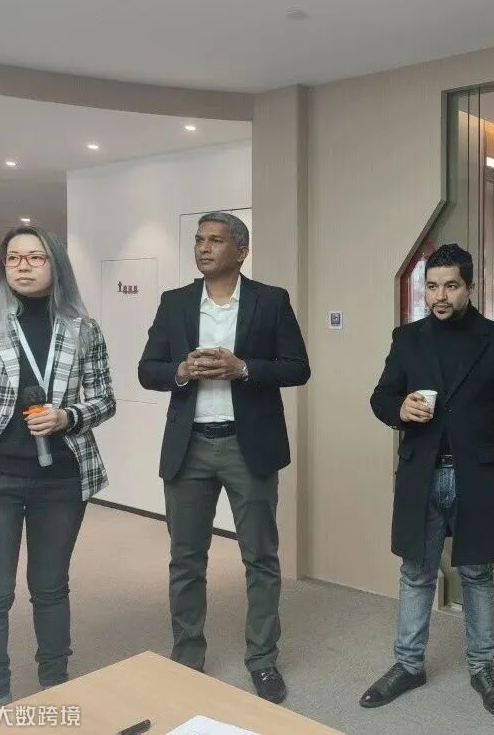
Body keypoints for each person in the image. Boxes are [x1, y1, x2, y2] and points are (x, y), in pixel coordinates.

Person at [137, 212, 309, 704]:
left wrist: (244, 368)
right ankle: (187, 657)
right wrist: (181, 370)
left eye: (215, 240)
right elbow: (148, 370)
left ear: (241, 250)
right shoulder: (174, 302)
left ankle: (263, 659)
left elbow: (298, 367)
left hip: (247, 446)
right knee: (186, 560)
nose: (204, 247)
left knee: (261, 558)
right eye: (199, 239)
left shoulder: (270, 301)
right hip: (188, 447)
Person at [0, 226, 116, 708]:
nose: (22, 265)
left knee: (51, 587)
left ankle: (55, 681)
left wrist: (68, 417)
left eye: (35, 257)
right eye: (13, 257)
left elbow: (104, 400)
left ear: (55, 265)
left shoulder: (83, 329)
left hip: (61, 479)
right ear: (3, 266)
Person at [361, 243, 494, 717]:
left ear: (470, 287)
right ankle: (407, 665)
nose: (439, 295)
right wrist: (399, 408)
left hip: (479, 475)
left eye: (451, 286)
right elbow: (380, 396)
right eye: (432, 286)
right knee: (416, 572)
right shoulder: (407, 339)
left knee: (478, 574)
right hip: (422, 473)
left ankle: (483, 668)